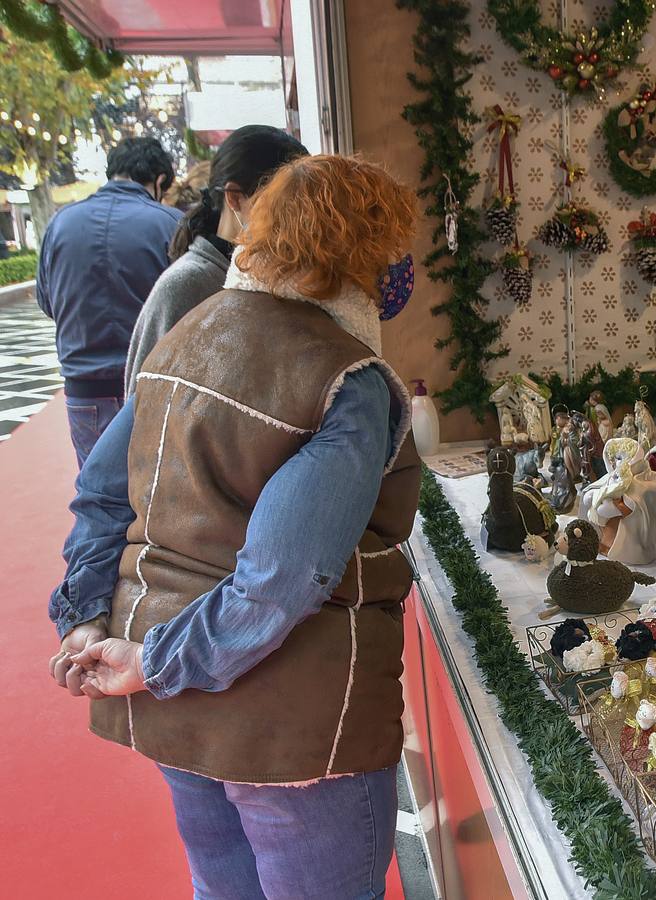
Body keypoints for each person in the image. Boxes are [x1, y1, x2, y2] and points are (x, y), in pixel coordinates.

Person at [46, 154, 421, 899]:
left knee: (221, 888)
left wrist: (88, 617)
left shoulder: (187, 333)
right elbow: (284, 574)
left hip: (175, 706)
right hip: (297, 725)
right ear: (367, 254)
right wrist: (156, 661)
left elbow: (101, 496)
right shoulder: (347, 380)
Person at [125, 125, 308, 394]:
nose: (298, 219)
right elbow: (142, 407)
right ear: (234, 198)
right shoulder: (186, 286)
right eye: (284, 203)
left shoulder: (280, 276)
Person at [36, 136, 182, 467]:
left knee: (99, 498)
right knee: (156, 496)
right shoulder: (169, 223)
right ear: (159, 180)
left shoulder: (61, 223)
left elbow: (47, 302)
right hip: (151, 384)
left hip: (84, 386)